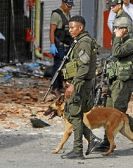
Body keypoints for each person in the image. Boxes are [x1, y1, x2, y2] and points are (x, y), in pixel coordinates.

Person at [95, 17, 133, 154]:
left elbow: (117, 52)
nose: (114, 31)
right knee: (108, 111)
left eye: (117, 28)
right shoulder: (120, 42)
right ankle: (106, 141)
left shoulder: (131, 44)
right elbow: (112, 59)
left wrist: (116, 38)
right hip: (115, 82)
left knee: (118, 113)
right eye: (114, 28)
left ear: (125, 29)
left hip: (123, 83)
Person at [60, 15, 101, 159]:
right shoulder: (79, 41)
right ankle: (92, 139)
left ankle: (78, 150)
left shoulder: (84, 43)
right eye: (69, 27)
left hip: (81, 84)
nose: (70, 30)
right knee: (71, 113)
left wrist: (73, 85)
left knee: (75, 113)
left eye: (72, 27)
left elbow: (83, 68)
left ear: (80, 27)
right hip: (80, 82)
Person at [49, 0, 73, 97]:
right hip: (59, 45)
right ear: (62, 3)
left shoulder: (67, 14)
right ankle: (54, 88)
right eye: (68, 6)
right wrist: (52, 44)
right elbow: (52, 31)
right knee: (57, 66)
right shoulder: (56, 14)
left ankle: (60, 85)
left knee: (64, 67)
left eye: (71, 6)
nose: (69, 8)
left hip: (66, 44)